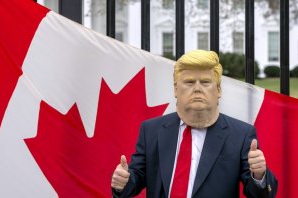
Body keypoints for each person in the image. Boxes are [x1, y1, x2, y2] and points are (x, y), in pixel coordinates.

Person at [111, 50, 278, 198]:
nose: (197, 88)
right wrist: (123, 183)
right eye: (189, 82)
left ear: (218, 90)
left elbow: (260, 194)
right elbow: (136, 178)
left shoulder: (241, 134)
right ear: (176, 89)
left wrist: (259, 174)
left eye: (205, 82)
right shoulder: (151, 130)